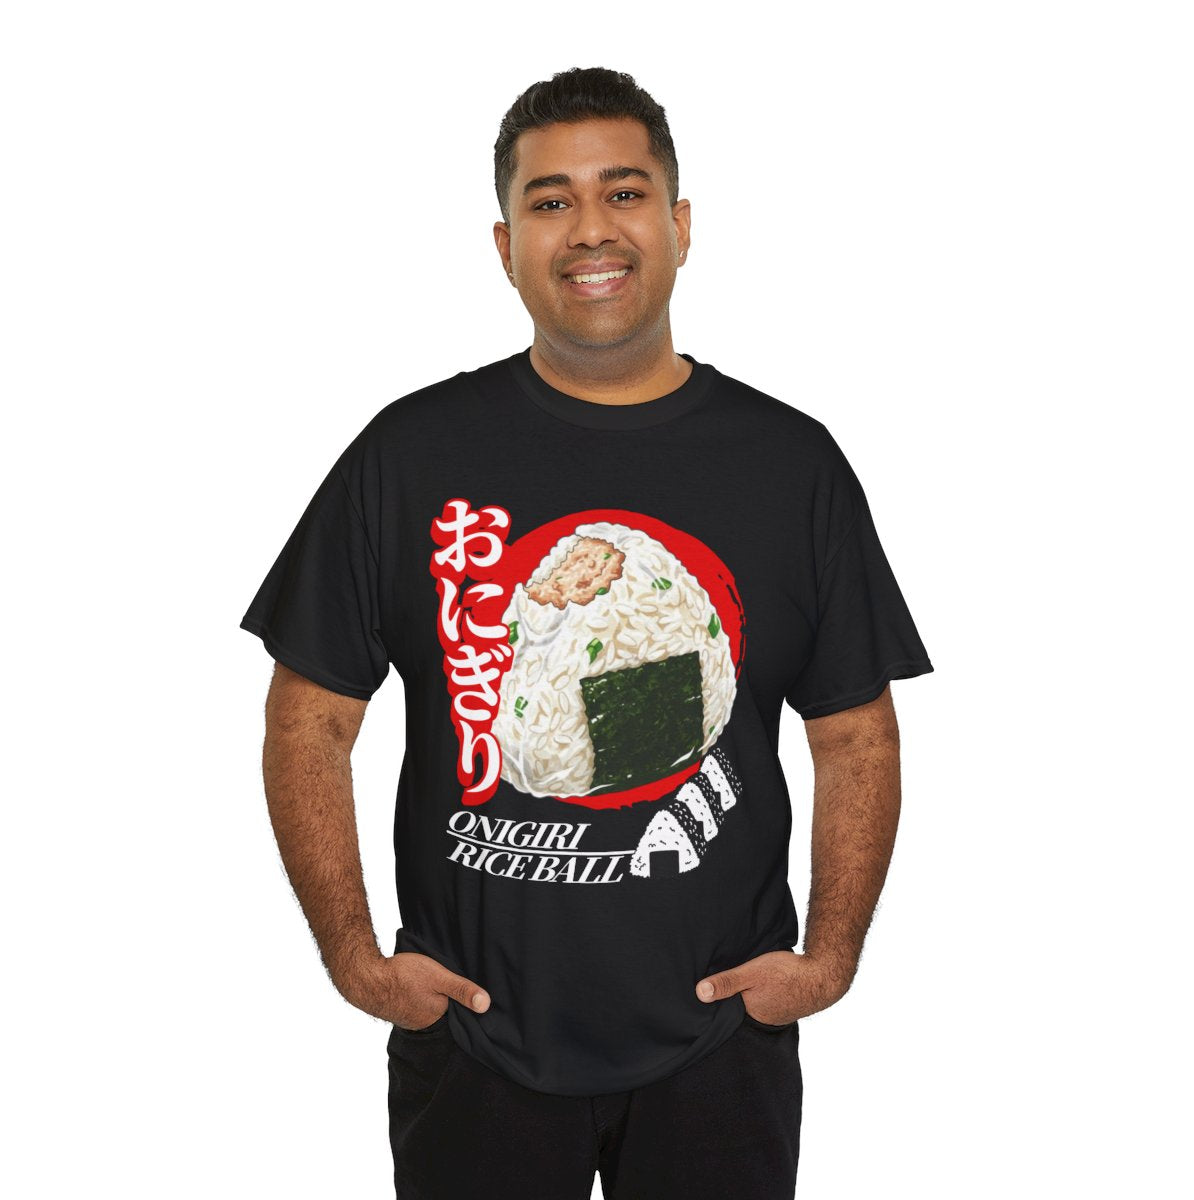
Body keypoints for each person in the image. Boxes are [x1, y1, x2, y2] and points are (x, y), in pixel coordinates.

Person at [240, 65, 933, 1200]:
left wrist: (830, 958)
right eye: (551, 201)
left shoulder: (789, 463)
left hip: (721, 1039)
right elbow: (308, 721)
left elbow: (855, 732)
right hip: (474, 1039)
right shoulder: (408, 454)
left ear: (680, 225)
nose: (591, 229)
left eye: (624, 191)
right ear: (505, 244)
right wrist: (357, 961)